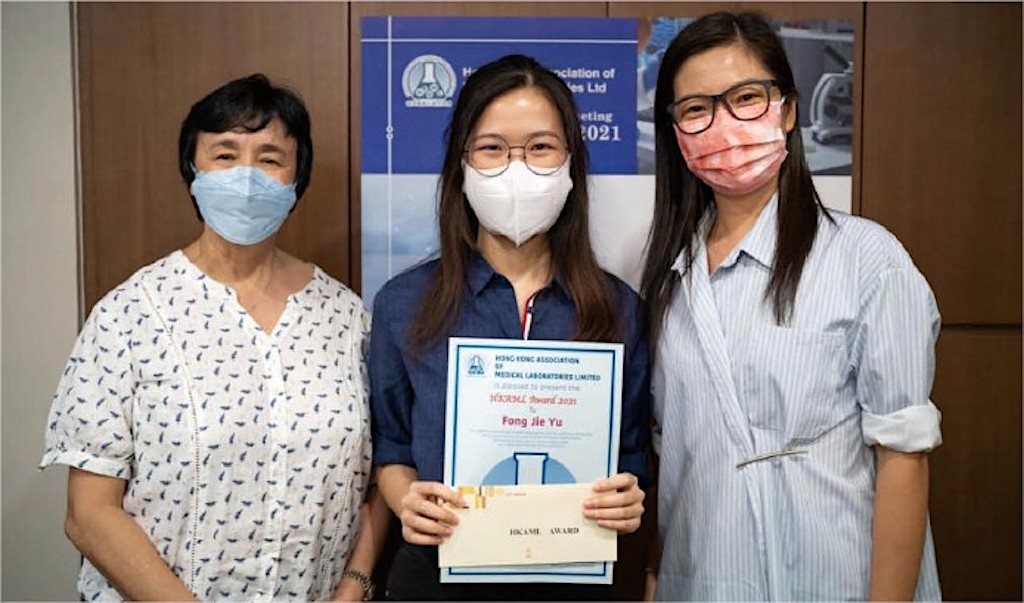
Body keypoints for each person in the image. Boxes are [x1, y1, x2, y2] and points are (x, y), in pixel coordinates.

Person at [41, 74, 388, 601]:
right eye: (225, 155)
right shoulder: (130, 315)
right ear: (192, 171)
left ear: (297, 179)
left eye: (270, 158)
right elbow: (89, 514)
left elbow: (379, 476)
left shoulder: (348, 319)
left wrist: (354, 586)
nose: (247, 176)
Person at [640, 12, 942, 601]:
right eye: (696, 108)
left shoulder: (865, 259)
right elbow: (672, 464)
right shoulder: (666, 280)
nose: (723, 124)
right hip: (701, 577)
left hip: (835, 576)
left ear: (788, 108)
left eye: (747, 98)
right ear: (676, 131)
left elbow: (904, 460)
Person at [369, 54, 651, 600]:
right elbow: (393, 445)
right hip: (439, 577)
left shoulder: (620, 309)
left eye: (540, 147)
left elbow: (634, 454)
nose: (516, 167)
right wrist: (406, 498)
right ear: (463, 165)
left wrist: (629, 497)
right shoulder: (404, 304)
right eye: (492, 147)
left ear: (571, 164)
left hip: (576, 579)